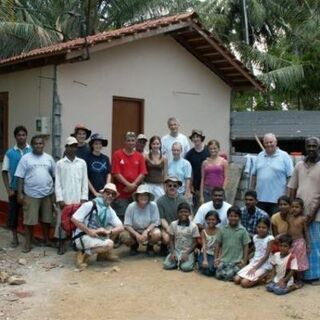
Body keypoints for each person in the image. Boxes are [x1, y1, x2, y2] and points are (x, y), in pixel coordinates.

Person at [287, 137, 320, 283]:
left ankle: (316, 276)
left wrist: (313, 213)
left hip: (317, 214)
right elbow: (292, 188)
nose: (311, 148)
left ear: (318, 147)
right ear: (305, 147)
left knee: (315, 246)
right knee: (301, 246)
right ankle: (305, 275)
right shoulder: (299, 165)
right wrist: (291, 210)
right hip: (299, 215)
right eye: (309, 146)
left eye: (314, 146)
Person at [15, 135, 55, 253]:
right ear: (32, 145)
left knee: (46, 219)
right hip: (31, 194)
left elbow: (54, 176)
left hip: (47, 194)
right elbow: (20, 177)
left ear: (44, 145)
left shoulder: (49, 158)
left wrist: (54, 193)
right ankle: (28, 243)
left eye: (41, 143)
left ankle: (46, 240)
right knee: (29, 221)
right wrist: (20, 194)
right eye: (36, 143)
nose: (39, 145)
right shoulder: (26, 158)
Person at [71, 183, 124, 269]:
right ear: (102, 193)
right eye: (108, 193)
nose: (110, 196)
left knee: (112, 228)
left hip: (96, 235)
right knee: (109, 244)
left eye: (113, 194)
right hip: (82, 236)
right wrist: (89, 231)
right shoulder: (90, 205)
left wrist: (108, 232)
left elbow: (121, 227)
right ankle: (82, 254)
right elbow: (74, 219)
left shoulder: (109, 209)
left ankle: (103, 255)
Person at [54, 137, 88, 255]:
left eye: (75, 146)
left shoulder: (82, 163)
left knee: (77, 221)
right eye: (70, 146)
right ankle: (61, 243)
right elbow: (57, 183)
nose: (73, 148)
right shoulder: (60, 164)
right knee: (61, 221)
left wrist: (84, 198)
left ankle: (75, 242)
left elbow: (84, 181)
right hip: (65, 199)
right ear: (66, 147)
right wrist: (60, 199)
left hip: (78, 198)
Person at [2, 125, 32, 247]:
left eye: (23, 135)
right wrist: (8, 189)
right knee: (13, 215)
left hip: (29, 190)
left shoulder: (32, 151)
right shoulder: (10, 153)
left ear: (26, 136)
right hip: (14, 190)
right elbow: (4, 171)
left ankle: (28, 239)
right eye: (19, 135)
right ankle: (15, 238)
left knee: (28, 216)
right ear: (15, 137)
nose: (21, 137)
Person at [251, 133, 293, 216]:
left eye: (271, 142)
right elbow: (254, 175)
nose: (269, 144)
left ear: (276, 142)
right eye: (266, 142)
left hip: (278, 200)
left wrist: (287, 196)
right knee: (261, 225)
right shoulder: (260, 155)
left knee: (275, 225)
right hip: (260, 199)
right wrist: (252, 192)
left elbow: (290, 177)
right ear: (263, 143)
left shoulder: (284, 156)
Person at [112, 132, 147, 220]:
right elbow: (116, 173)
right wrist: (128, 184)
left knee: (135, 218)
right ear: (124, 142)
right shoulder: (117, 154)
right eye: (128, 140)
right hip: (121, 194)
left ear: (135, 142)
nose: (131, 143)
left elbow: (143, 173)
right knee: (122, 218)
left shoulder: (139, 156)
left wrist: (133, 185)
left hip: (136, 195)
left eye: (133, 140)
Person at [120, 185, 161, 256]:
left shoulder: (153, 205)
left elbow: (155, 222)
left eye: (145, 195)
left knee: (157, 233)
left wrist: (146, 231)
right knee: (124, 236)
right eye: (141, 195)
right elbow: (127, 225)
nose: (143, 197)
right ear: (137, 197)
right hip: (134, 230)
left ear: (148, 197)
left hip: (149, 230)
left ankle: (150, 247)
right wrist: (137, 235)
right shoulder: (131, 206)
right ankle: (134, 246)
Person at [234, 217, 274, 288]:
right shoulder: (255, 237)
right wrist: (246, 261)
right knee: (236, 279)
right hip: (254, 262)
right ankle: (253, 276)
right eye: (259, 227)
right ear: (256, 227)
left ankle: (264, 274)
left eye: (264, 227)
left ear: (268, 229)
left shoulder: (270, 239)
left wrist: (255, 268)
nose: (261, 229)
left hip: (264, 264)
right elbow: (255, 250)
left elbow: (266, 256)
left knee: (244, 283)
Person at [214, 206, 251, 281]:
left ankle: (234, 274)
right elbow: (217, 244)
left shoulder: (243, 230)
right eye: (231, 216)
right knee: (218, 275)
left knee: (227, 275)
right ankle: (233, 274)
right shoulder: (222, 229)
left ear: (239, 217)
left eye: (235, 216)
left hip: (236, 262)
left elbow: (246, 246)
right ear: (227, 217)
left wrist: (244, 261)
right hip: (224, 260)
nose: (233, 218)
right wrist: (216, 259)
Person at [163, 202, 199, 272]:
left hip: (188, 251)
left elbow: (195, 243)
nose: (183, 214)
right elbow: (171, 240)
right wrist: (173, 252)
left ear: (189, 213)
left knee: (186, 268)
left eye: (186, 212)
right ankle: (177, 261)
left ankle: (192, 258)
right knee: (167, 265)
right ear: (177, 213)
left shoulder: (193, 226)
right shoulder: (173, 224)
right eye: (181, 212)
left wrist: (186, 254)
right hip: (176, 250)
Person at [157, 176, 188, 256]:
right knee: (167, 238)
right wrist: (170, 229)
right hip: (167, 226)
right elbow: (162, 218)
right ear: (166, 186)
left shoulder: (183, 199)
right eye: (169, 185)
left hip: (181, 225)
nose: (172, 187)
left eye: (174, 185)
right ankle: (164, 246)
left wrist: (185, 227)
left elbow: (190, 215)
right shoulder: (160, 201)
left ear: (178, 187)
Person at [185, 129, 209, 210]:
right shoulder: (189, 154)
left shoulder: (208, 150)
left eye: (198, 137)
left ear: (201, 138)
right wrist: (190, 186)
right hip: (195, 187)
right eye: (194, 137)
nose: (196, 139)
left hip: (207, 185)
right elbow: (188, 171)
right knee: (197, 208)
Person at [287, 198, 310, 284]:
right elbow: (288, 230)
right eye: (292, 207)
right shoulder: (289, 218)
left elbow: (306, 232)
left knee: (299, 261)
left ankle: (300, 280)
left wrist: (308, 245)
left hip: (300, 243)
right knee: (291, 260)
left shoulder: (303, 219)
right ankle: (293, 278)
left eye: (297, 207)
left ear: (301, 209)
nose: (294, 209)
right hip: (291, 243)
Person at [200, 139, 228, 204]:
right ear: (208, 150)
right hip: (207, 191)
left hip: (219, 191)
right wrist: (201, 195)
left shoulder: (224, 162)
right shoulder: (205, 163)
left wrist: (222, 191)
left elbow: (226, 178)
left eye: (215, 148)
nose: (213, 150)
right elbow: (202, 179)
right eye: (211, 149)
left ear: (218, 149)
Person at [86, 133, 111, 199]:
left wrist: (106, 189)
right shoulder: (87, 158)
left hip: (104, 193)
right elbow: (86, 177)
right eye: (96, 144)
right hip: (91, 194)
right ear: (92, 145)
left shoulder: (106, 158)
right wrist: (94, 192)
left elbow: (109, 174)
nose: (98, 146)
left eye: (100, 144)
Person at [144, 135, 167, 200]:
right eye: (153, 144)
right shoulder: (146, 157)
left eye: (157, 144)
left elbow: (165, 174)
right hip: (148, 184)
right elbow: (143, 173)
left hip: (159, 185)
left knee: (159, 203)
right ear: (150, 145)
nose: (155, 146)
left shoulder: (164, 158)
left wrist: (165, 187)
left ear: (160, 145)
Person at [197, 211, 220, 276]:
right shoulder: (203, 231)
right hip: (205, 253)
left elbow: (219, 247)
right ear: (206, 220)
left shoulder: (219, 231)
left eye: (213, 219)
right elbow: (204, 246)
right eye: (209, 219)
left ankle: (206, 268)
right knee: (206, 265)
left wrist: (217, 259)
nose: (211, 221)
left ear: (217, 221)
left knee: (211, 268)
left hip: (214, 254)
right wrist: (205, 260)